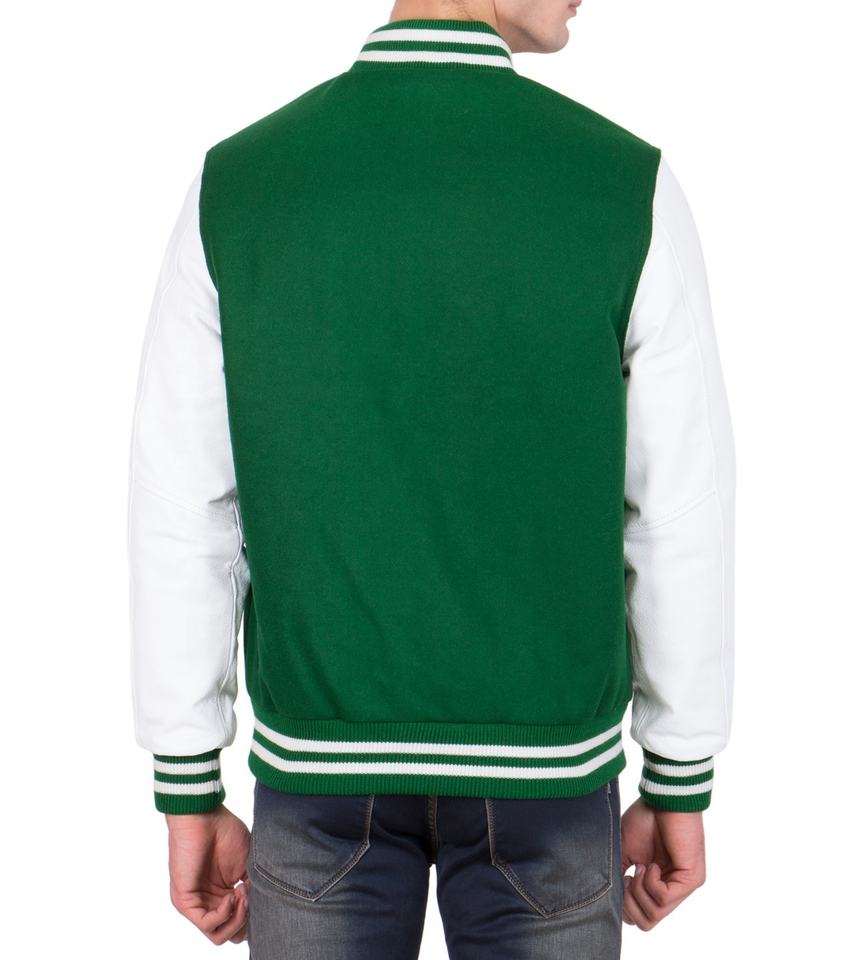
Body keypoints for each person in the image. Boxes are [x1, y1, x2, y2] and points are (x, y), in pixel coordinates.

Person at [126, 1, 736, 956]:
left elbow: (185, 509)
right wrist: (678, 770)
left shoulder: (240, 183)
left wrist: (188, 778)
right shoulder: (625, 185)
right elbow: (675, 512)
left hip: (319, 770)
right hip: (546, 774)